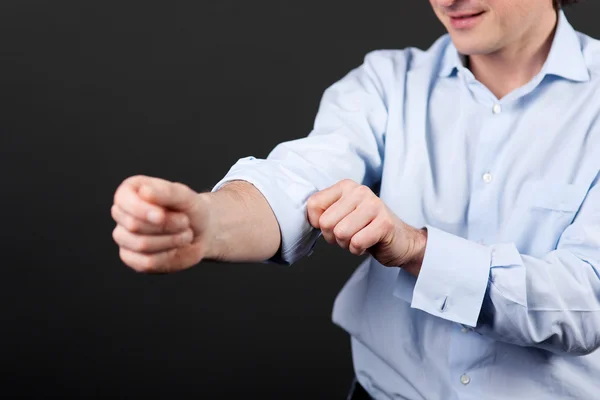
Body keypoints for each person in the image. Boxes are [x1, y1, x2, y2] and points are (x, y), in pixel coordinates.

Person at [111, 0, 600, 398]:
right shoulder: (388, 83)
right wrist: (211, 222)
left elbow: (588, 305)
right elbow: (299, 180)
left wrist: (417, 250)